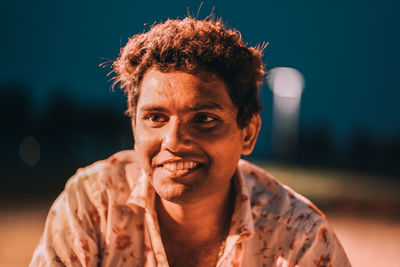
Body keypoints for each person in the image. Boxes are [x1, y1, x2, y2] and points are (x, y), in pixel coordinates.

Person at [30, 17, 351, 267]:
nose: (174, 141)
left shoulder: (297, 233)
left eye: (204, 119)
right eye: (156, 118)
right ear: (134, 127)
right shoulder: (94, 204)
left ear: (248, 133)